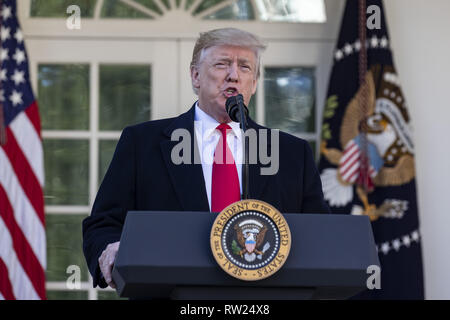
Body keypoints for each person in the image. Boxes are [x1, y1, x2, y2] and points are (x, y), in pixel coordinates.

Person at [82, 28, 330, 289]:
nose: (233, 75)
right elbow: (102, 224)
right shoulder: (142, 144)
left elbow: (317, 235)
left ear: (254, 83)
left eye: (244, 67)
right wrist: (109, 248)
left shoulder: (291, 153)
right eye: (222, 64)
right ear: (196, 76)